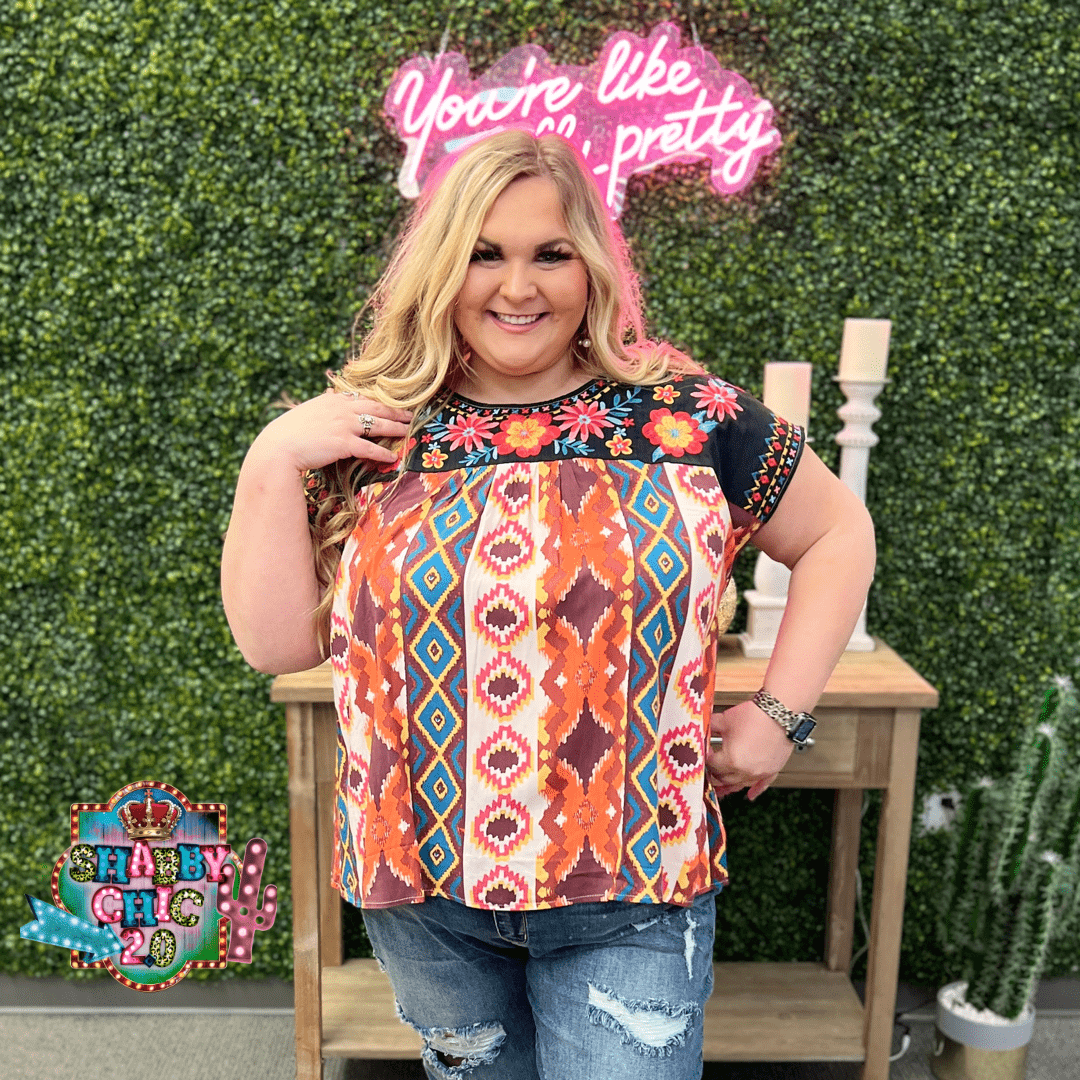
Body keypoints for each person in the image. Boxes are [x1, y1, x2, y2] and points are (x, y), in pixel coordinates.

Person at [221, 130, 876, 1080]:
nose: (518, 287)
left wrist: (779, 715)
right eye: (485, 253)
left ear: (592, 267)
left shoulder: (685, 416)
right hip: (426, 894)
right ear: (443, 265)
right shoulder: (377, 426)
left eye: (551, 254)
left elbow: (837, 533)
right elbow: (278, 642)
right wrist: (270, 458)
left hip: (634, 886)